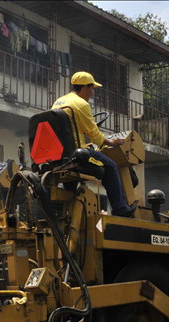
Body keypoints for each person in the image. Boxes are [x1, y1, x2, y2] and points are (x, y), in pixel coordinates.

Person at [52, 71, 136, 217]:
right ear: (85, 87)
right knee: (111, 167)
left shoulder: (58, 102)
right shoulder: (81, 104)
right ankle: (120, 209)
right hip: (77, 153)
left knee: (71, 181)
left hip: (60, 154)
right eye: (92, 88)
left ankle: (67, 213)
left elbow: (71, 130)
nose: (92, 93)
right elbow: (93, 133)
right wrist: (110, 141)